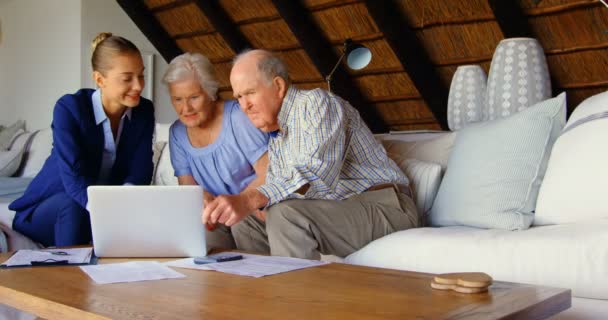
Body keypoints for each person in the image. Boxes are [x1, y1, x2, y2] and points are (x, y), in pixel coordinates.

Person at [202, 49, 420, 259]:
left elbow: (317, 175)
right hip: (338, 208)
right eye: (239, 97)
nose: (244, 106)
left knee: (285, 214)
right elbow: (278, 195)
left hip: (387, 206)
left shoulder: (317, 104)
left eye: (250, 93)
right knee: (245, 221)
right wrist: (240, 208)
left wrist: (250, 198)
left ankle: (294, 295)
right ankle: (264, 290)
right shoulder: (277, 137)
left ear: (278, 86)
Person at [9, 33, 155, 247]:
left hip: (103, 208)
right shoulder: (70, 108)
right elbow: (73, 179)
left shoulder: (143, 111)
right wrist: (109, 213)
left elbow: (141, 168)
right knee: (74, 207)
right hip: (49, 208)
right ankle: (71, 277)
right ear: (99, 79)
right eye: (127, 78)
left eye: (141, 76)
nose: (138, 86)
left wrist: (126, 202)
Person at [162, 52, 269, 251]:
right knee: (198, 233)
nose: (186, 108)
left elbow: (268, 174)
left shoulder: (238, 118)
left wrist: (238, 204)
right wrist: (201, 198)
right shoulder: (177, 133)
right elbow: (188, 187)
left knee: (240, 225)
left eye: (194, 97)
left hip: (254, 212)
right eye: (177, 99)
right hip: (218, 217)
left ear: (210, 92)